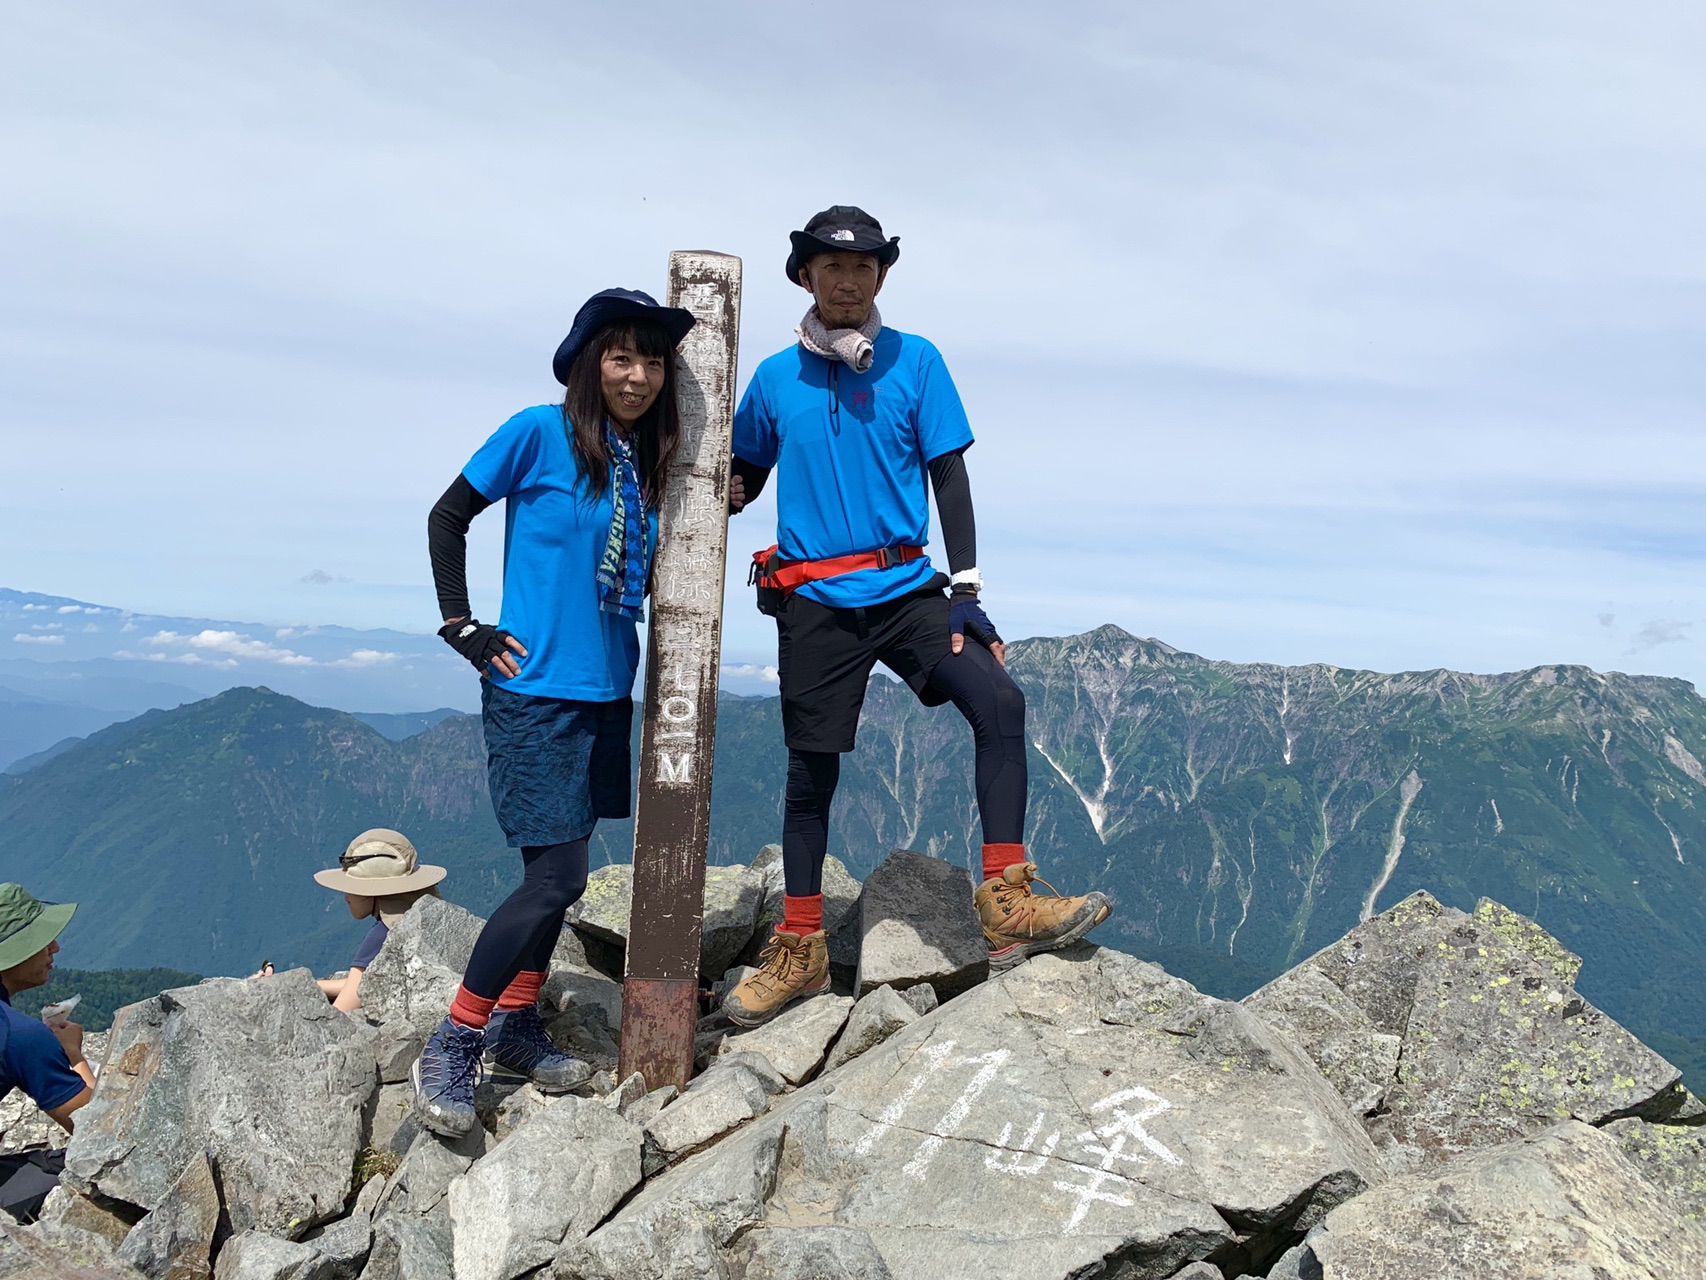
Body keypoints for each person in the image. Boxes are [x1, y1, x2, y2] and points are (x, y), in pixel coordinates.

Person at [722, 206, 1114, 1027]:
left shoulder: (917, 361)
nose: (848, 279)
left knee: (999, 700)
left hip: (907, 590)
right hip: (815, 601)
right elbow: (742, 477)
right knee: (810, 773)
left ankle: (1006, 903)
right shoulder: (773, 380)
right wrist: (691, 487)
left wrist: (965, 591)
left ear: (881, 276)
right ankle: (801, 947)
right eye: (833, 266)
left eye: (864, 266)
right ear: (805, 276)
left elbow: (949, 475)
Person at [414, 287, 695, 1136]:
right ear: (587, 364)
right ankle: (457, 1039)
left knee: (558, 876)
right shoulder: (538, 432)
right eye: (621, 357)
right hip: (533, 691)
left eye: (653, 362)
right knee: (558, 879)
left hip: (607, 689)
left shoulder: (643, 459)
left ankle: (517, 1024)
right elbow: (449, 515)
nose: (638, 376)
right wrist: (462, 625)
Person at [0, 884, 94, 1222]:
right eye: (40, 940)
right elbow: (97, 1133)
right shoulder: (19, 1035)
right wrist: (73, 1055)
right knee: (73, 1175)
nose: (54, 947)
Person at [309, 829, 447, 1012]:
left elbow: (343, 1009)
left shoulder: (383, 934)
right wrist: (310, 985)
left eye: (351, 887)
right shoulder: (429, 917)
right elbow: (361, 981)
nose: (345, 895)